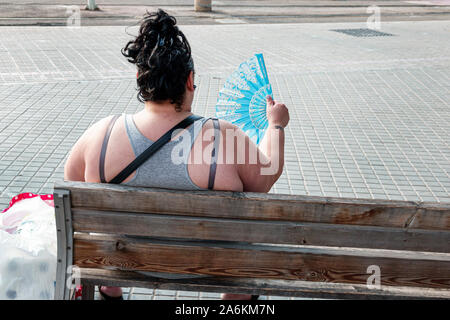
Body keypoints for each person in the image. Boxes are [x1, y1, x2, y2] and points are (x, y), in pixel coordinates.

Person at [64, 9, 289, 300]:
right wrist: (276, 125)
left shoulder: (100, 135)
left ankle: (111, 289)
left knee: (109, 240)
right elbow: (265, 178)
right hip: (209, 267)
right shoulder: (223, 136)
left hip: (123, 263)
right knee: (243, 255)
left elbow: (72, 186)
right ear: (189, 80)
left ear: (140, 78)